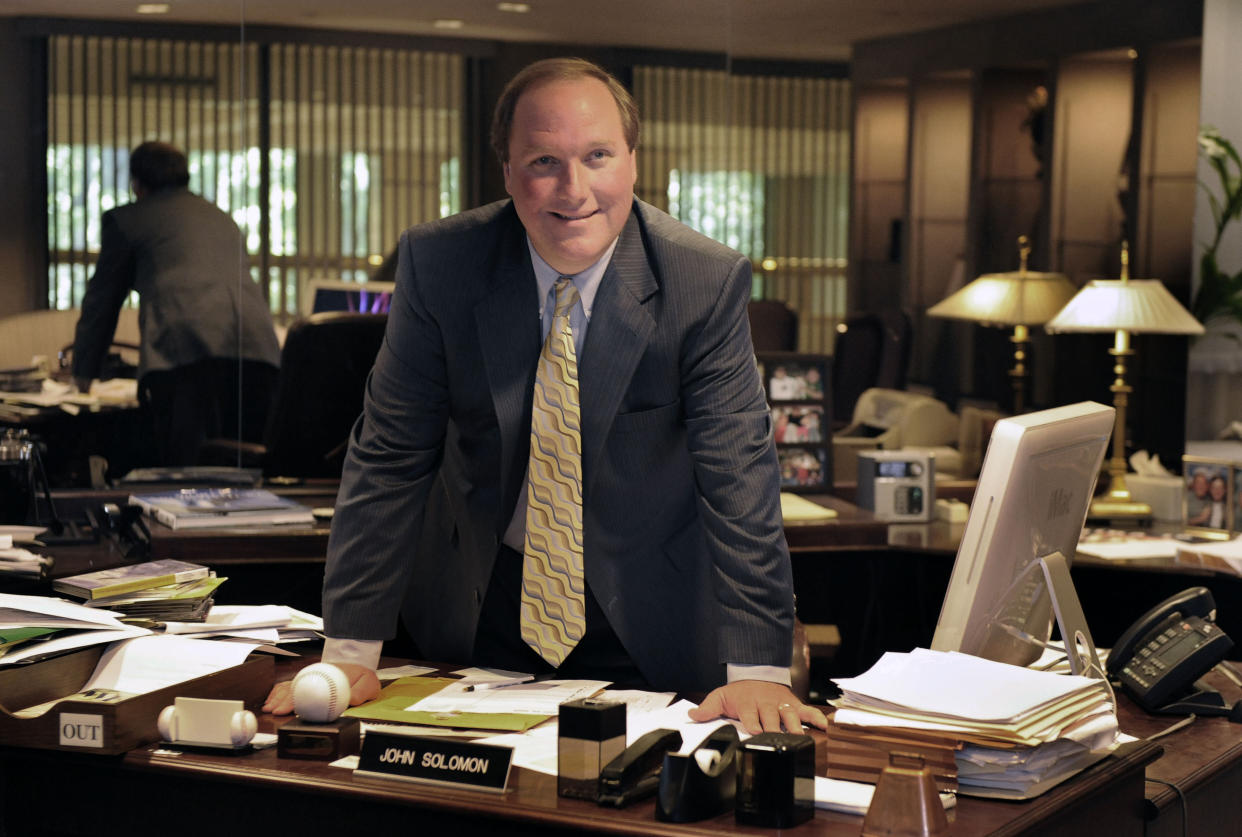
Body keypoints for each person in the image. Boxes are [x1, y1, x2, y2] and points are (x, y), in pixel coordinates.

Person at [264, 57, 826, 734]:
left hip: (654, 616)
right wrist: (351, 650)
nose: (575, 188)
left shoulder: (701, 281)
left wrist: (760, 673)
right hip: (481, 604)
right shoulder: (442, 265)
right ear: (506, 172)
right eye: (543, 161)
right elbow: (390, 456)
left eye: (597, 156)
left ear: (632, 161)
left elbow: (740, 477)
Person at [71, 141, 281, 467]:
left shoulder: (127, 220)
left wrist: (83, 374)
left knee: (185, 475)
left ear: (137, 184)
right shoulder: (221, 218)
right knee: (247, 472)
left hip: (186, 355)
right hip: (259, 352)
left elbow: (102, 302)